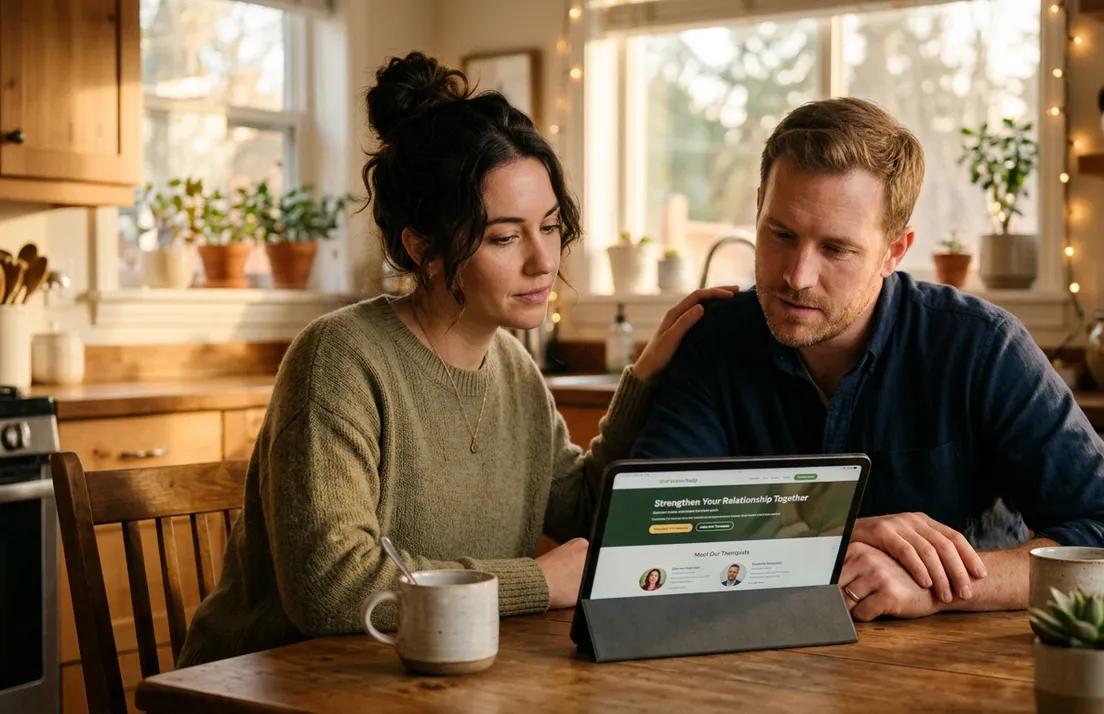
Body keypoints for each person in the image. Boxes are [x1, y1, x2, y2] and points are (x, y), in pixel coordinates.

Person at [176, 52, 734, 667]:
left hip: (438, 679)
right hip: (280, 685)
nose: (543, 260)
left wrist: (646, 376)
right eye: (504, 236)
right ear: (423, 247)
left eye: (549, 226)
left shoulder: (515, 369)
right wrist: (537, 582)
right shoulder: (339, 358)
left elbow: (587, 514)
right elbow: (330, 590)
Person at [629, 97, 1104, 623]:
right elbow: (643, 534)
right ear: (757, 209)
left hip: (964, 677)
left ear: (895, 251)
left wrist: (940, 586)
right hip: (761, 670)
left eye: (835, 249)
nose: (797, 275)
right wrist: (828, 532)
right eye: (780, 234)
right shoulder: (714, 339)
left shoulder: (982, 347)